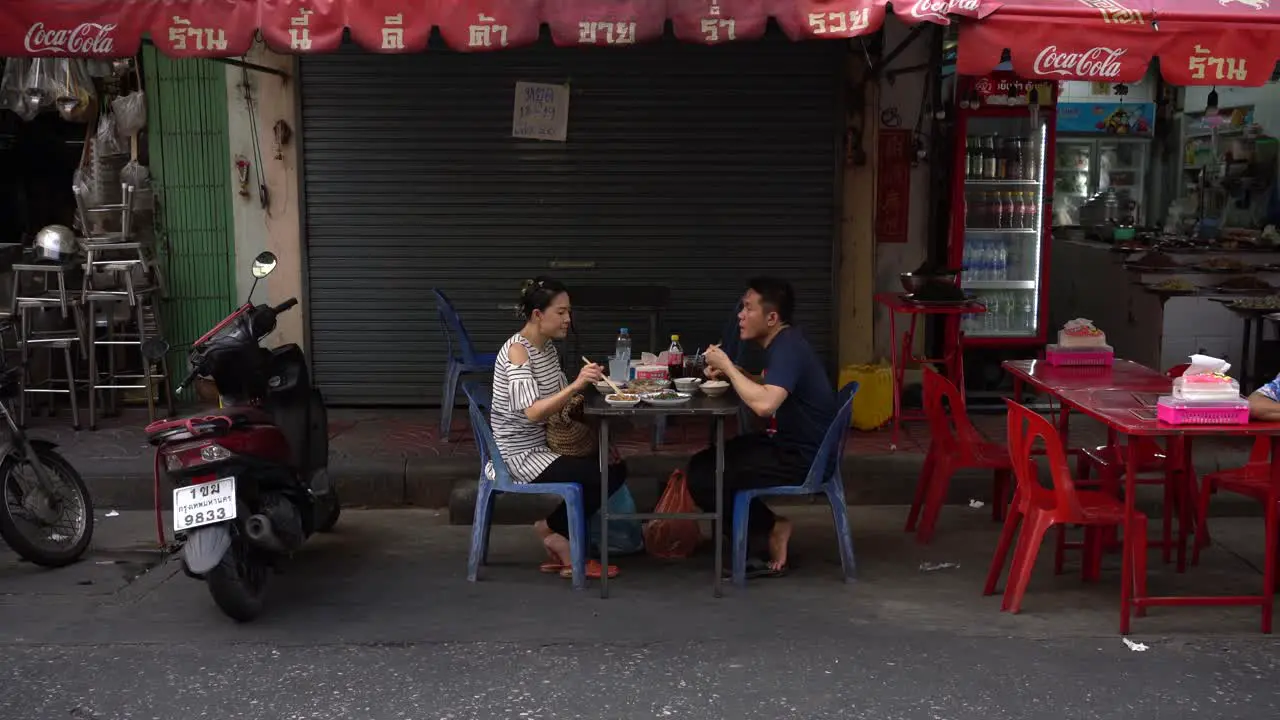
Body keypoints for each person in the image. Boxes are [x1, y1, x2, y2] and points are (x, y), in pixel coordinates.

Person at [689, 277, 836, 576]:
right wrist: (741, 374)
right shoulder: (787, 342)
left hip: (801, 458)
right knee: (708, 462)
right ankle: (761, 530)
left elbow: (765, 404)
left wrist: (729, 366)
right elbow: (772, 387)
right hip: (789, 445)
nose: (740, 316)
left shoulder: (788, 348)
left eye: (747, 309)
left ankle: (765, 534)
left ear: (771, 317)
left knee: (706, 474)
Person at [489, 277, 628, 580]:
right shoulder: (518, 352)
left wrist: (595, 386)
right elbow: (534, 411)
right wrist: (579, 383)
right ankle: (556, 534)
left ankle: (555, 530)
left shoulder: (547, 349)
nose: (568, 319)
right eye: (561, 312)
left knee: (611, 464)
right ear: (538, 315)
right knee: (605, 474)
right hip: (520, 455)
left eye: (569, 312)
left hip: (544, 444)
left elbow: (561, 400)